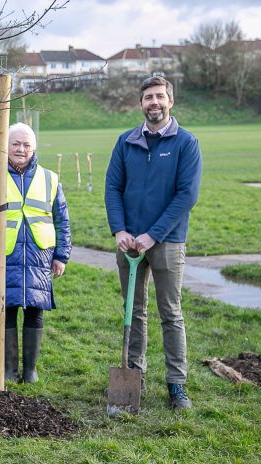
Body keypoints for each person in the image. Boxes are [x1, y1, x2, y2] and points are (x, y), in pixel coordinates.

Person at [104, 76, 202, 410]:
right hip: (129, 243)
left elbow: (186, 195)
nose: (154, 103)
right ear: (141, 103)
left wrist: (153, 235)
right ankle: (134, 376)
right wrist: (119, 230)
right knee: (134, 311)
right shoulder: (126, 142)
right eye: (148, 97)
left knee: (170, 312)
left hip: (167, 242)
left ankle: (177, 384)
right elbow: (112, 189)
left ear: (170, 101)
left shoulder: (186, 143)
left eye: (160, 96)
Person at [0, 122, 72, 384]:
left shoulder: (49, 179)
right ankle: (8, 370)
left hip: (38, 256)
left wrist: (61, 256)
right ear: (5, 146)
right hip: (2, 256)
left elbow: (62, 220)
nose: (21, 149)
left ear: (34, 148)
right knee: (5, 309)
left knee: (35, 309)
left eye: (26, 145)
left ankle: (30, 371)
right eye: (15, 144)